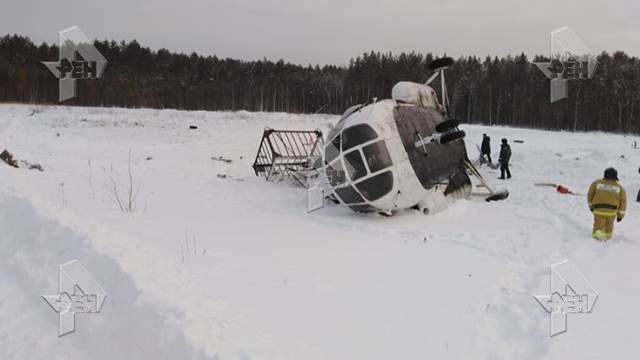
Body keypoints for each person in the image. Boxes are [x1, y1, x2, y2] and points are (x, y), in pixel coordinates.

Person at [588, 167, 627, 241]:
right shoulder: (619, 188)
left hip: (598, 209)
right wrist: (620, 215)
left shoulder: (596, 183)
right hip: (612, 211)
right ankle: (607, 236)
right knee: (609, 225)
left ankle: (597, 234)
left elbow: (590, 195)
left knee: (598, 224)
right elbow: (623, 202)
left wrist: (591, 206)